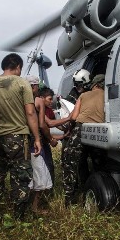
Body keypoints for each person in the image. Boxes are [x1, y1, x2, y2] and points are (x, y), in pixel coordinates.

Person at [0, 53, 41, 227]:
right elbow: (30, 112)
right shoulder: (22, 82)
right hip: (17, 136)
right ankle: (18, 219)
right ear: (17, 67)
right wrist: (37, 138)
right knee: (20, 179)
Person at [62, 74, 105, 206]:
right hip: (100, 131)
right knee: (99, 164)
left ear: (95, 85)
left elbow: (74, 117)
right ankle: (99, 192)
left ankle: (69, 199)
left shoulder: (83, 95)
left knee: (70, 162)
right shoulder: (108, 95)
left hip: (81, 129)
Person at [25, 76, 58, 214]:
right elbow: (43, 125)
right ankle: (34, 207)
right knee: (40, 175)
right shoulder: (38, 101)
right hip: (34, 143)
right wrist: (50, 139)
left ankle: (24, 206)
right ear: (33, 86)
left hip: (20, 142)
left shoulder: (18, 99)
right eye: (37, 86)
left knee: (26, 175)